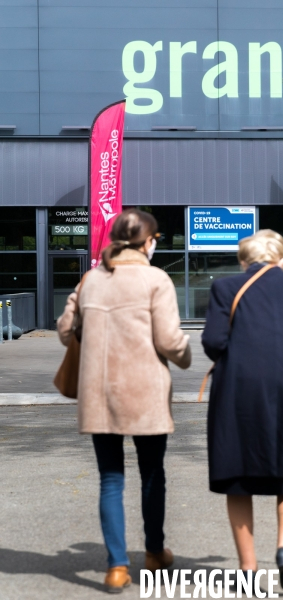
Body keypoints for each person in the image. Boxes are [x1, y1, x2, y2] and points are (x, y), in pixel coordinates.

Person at [57, 208, 191, 594]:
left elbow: (65, 331)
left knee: (110, 479)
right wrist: (185, 355)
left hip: (100, 394)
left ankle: (116, 567)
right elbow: (169, 341)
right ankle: (153, 552)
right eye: (156, 239)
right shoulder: (156, 279)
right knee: (153, 474)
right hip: (145, 392)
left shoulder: (91, 280)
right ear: (148, 242)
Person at [201, 229, 283, 592]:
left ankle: (248, 570)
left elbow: (213, 342)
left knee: (237, 476)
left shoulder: (224, 288)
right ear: (281, 258)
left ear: (244, 259)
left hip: (237, 389)